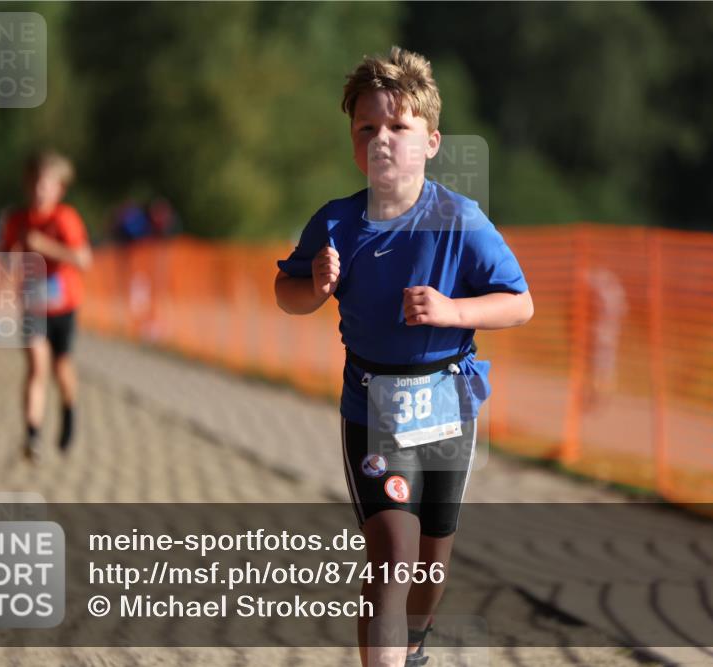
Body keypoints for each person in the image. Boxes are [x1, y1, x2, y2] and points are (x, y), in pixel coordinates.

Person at [274, 47, 533, 667]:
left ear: (431, 141)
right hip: (374, 408)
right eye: (368, 128)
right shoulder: (336, 224)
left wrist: (453, 311)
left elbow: (519, 304)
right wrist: (315, 286)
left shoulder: (460, 220)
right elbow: (285, 293)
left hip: (447, 408)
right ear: (353, 143)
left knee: (431, 563)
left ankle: (413, 648)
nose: (383, 140)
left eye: (399, 126)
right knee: (393, 554)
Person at [2, 150, 92, 460]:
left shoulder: (64, 218)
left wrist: (46, 247)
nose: (39, 190)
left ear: (59, 189)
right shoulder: (16, 220)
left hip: (64, 305)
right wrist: (12, 258)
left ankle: (69, 409)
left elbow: (84, 260)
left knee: (61, 368)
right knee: (36, 366)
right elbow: (6, 257)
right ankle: (33, 436)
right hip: (33, 305)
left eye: (45, 184)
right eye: (34, 183)